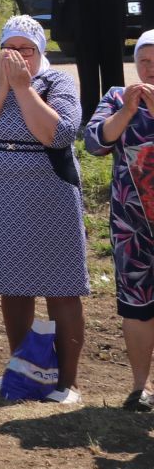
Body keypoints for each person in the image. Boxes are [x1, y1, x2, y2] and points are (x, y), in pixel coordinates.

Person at [0, 14, 89, 403]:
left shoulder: (57, 81)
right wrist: (1, 87)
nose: (16, 57)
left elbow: (59, 133)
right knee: (13, 287)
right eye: (8, 50)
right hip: (1, 192)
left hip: (50, 191)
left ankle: (66, 383)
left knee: (62, 287)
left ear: (39, 52)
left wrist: (23, 88)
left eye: (25, 50)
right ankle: (22, 371)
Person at [84, 29, 154, 411]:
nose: (150, 68)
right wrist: (128, 111)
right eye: (143, 61)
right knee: (137, 303)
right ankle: (140, 387)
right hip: (132, 225)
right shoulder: (116, 96)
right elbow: (95, 143)